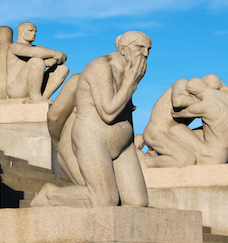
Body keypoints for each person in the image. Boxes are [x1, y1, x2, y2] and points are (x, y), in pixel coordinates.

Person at [31, 31, 152, 208]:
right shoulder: (100, 67)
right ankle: (50, 195)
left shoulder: (129, 72)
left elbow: (126, 114)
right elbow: (108, 113)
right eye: (140, 47)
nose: (146, 54)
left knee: (138, 202)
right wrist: (131, 84)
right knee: (106, 200)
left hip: (123, 145)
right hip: (94, 140)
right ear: (124, 49)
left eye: (149, 49)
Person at [6, 22, 69, 103]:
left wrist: (53, 58)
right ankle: (35, 97)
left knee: (62, 69)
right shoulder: (14, 46)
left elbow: (63, 56)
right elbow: (34, 53)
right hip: (16, 90)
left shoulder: (37, 48)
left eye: (35, 31)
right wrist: (55, 55)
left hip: (34, 87)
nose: (34, 34)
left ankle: (43, 98)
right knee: (36, 61)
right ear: (20, 32)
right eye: (30, 31)